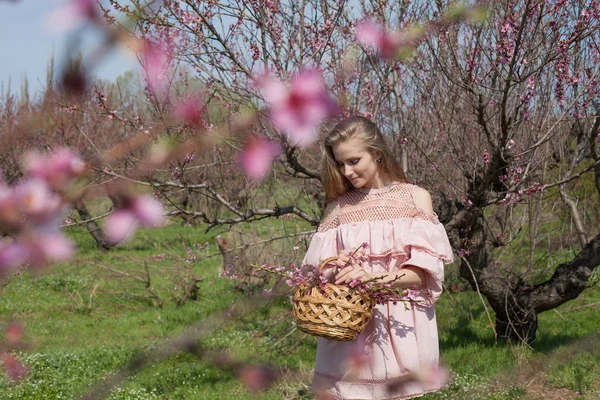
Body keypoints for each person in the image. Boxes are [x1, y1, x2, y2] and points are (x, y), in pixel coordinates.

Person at [302, 116, 454, 400]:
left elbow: (422, 273)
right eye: (339, 163)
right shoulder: (338, 208)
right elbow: (316, 277)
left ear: (377, 153)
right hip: (350, 328)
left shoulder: (415, 199)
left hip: (400, 326)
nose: (346, 171)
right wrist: (338, 270)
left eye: (354, 161)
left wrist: (373, 278)